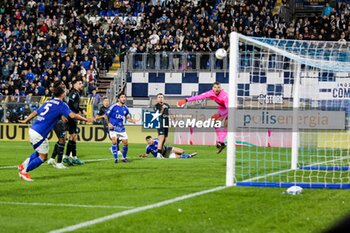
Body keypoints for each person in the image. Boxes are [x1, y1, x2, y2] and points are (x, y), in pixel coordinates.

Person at [17, 85, 94, 181]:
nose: (66, 92)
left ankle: (22, 165)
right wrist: (86, 119)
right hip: (39, 133)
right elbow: (72, 115)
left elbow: (36, 112)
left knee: (38, 152)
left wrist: (26, 120)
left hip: (33, 129)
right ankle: (24, 172)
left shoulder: (48, 101)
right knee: (43, 157)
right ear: (62, 94)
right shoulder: (62, 104)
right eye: (65, 91)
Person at [177, 82, 228, 154]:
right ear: (212, 88)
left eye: (218, 87)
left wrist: (219, 115)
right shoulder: (210, 93)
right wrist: (186, 100)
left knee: (227, 125)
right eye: (215, 87)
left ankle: (221, 142)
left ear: (221, 88)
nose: (216, 89)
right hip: (222, 108)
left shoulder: (225, 96)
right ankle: (221, 142)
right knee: (215, 123)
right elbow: (199, 97)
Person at [105, 93, 136, 163]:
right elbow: (105, 115)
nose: (124, 98)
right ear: (118, 99)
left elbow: (127, 118)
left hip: (121, 128)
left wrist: (132, 120)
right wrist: (108, 123)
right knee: (114, 140)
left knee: (125, 143)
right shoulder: (113, 106)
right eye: (122, 97)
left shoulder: (126, 108)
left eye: (124, 97)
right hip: (113, 127)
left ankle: (123, 158)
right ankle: (116, 159)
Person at [63, 79, 86, 166]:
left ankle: (69, 156)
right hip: (72, 116)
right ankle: (71, 157)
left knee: (73, 137)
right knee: (73, 136)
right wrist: (77, 111)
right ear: (74, 84)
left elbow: (75, 105)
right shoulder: (73, 93)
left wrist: (81, 109)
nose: (81, 85)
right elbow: (71, 104)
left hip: (73, 115)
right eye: (79, 83)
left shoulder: (76, 93)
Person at [47, 81, 69, 169]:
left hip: (59, 120)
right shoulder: (57, 96)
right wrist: (61, 116)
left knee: (61, 139)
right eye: (62, 84)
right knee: (62, 140)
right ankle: (59, 163)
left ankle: (52, 159)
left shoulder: (59, 95)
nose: (63, 85)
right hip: (58, 121)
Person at [153, 93, 170, 158]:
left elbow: (168, 112)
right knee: (161, 137)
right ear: (157, 99)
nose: (161, 98)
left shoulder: (167, 105)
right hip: (160, 123)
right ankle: (158, 153)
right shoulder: (156, 106)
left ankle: (161, 151)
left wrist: (171, 116)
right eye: (159, 97)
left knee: (164, 138)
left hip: (166, 123)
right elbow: (159, 114)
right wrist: (162, 108)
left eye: (162, 97)